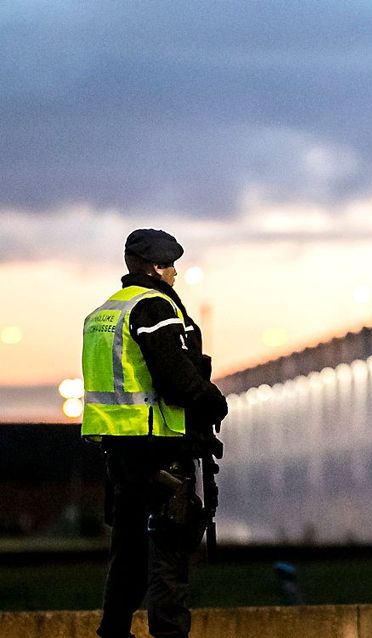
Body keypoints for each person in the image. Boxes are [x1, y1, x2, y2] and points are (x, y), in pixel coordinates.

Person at [81, 228, 228, 638]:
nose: (177, 274)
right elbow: (176, 377)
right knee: (169, 560)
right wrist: (213, 401)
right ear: (156, 268)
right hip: (159, 450)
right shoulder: (154, 307)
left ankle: (112, 633)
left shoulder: (105, 313)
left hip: (121, 455)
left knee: (127, 556)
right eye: (172, 266)